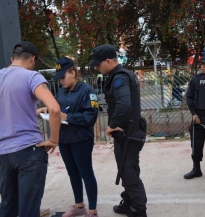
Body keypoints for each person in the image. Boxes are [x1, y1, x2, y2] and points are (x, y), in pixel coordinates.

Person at [0, 41, 61, 217]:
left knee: (8, 206)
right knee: (28, 209)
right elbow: (54, 109)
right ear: (32, 59)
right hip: (30, 151)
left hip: (4, 154)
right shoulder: (32, 77)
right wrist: (53, 139)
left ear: (12, 58)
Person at [89, 44, 147, 217]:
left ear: (108, 61)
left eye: (98, 64)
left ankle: (139, 209)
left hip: (128, 133)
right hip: (129, 132)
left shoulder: (119, 78)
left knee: (128, 171)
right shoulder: (122, 75)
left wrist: (111, 124)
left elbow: (124, 104)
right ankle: (128, 202)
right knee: (128, 168)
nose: (96, 67)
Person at [39, 57, 99, 217]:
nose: (61, 81)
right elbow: (58, 108)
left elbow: (91, 117)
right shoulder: (61, 91)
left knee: (86, 173)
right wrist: (47, 109)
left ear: (73, 72)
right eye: (58, 78)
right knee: (72, 173)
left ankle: (92, 211)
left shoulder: (87, 91)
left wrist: (68, 117)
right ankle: (79, 205)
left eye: (63, 77)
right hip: (65, 139)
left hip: (81, 140)